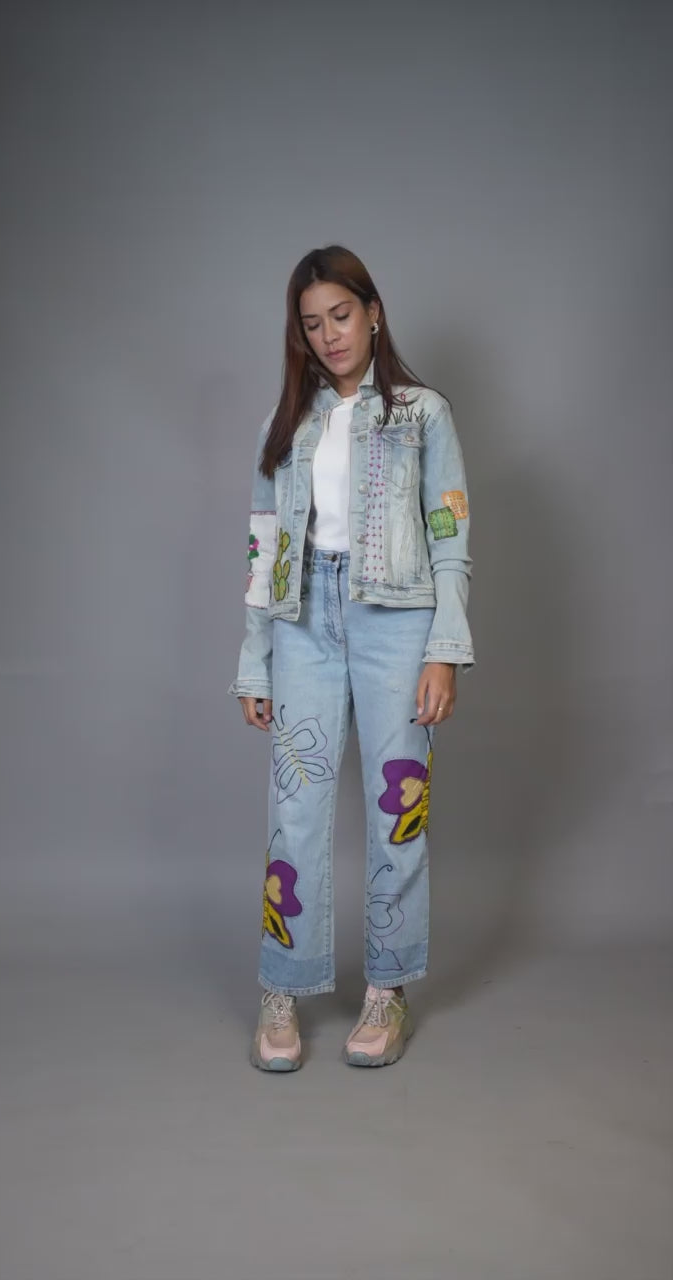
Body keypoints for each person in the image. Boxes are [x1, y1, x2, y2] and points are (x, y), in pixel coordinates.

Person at [227, 244, 474, 1071]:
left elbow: (450, 535)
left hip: (396, 621)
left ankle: (387, 988)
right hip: (302, 620)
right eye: (312, 324)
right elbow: (264, 547)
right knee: (293, 810)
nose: (330, 335)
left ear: (373, 313)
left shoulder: (423, 415)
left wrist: (444, 650)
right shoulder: (285, 423)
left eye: (341, 314)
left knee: (398, 810)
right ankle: (282, 984)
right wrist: (255, 661)